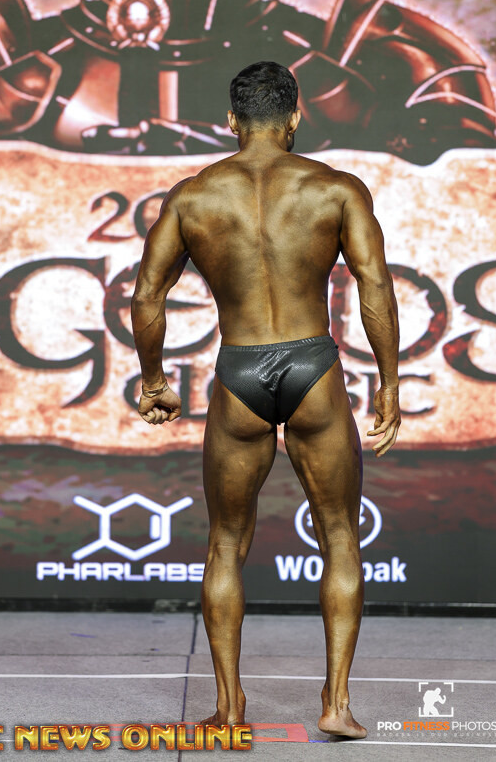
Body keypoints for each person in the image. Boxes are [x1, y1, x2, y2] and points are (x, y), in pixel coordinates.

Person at [131, 60, 401, 739]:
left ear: (231, 120)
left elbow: (147, 295)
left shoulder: (194, 196)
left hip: (240, 371)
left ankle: (229, 709)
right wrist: (389, 384)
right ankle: (337, 704)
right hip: (313, 365)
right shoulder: (335, 188)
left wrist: (154, 380)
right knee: (339, 536)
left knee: (225, 543)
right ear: (295, 116)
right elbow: (375, 285)